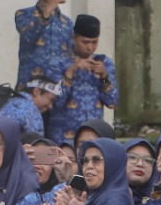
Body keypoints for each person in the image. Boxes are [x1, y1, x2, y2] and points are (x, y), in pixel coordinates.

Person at [49, 16, 117, 145]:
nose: (90, 47)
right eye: (85, 42)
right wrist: (70, 72)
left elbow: (112, 102)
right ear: (74, 37)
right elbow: (55, 102)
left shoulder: (104, 63)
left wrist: (104, 77)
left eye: (94, 42)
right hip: (63, 138)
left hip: (94, 138)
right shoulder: (57, 63)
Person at [16, 0, 72, 87]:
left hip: (58, 88)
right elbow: (29, 36)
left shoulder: (67, 23)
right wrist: (47, 10)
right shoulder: (24, 15)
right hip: (30, 86)